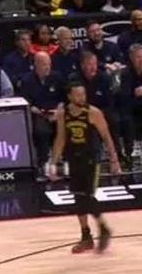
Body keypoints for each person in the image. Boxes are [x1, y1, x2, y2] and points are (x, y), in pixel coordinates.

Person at [50, 81, 121, 253]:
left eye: (83, 94)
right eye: (78, 95)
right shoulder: (63, 113)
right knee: (78, 198)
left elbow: (106, 136)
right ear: (69, 96)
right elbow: (60, 138)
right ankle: (86, 236)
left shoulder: (93, 112)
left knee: (87, 196)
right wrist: (53, 162)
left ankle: (103, 227)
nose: (81, 98)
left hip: (91, 160)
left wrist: (114, 160)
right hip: (73, 159)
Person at [19, 52, 67, 164]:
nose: (48, 67)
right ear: (36, 65)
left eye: (49, 64)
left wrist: (58, 110)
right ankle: (43, 162)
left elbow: (64, 98)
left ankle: (63, 159)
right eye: (44, 64)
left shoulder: (57, 77)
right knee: (42, 131)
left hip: (56, 113)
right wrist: (40, 112)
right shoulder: (27, 80)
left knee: (65, 128)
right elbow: (26, 102)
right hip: (39, 114)